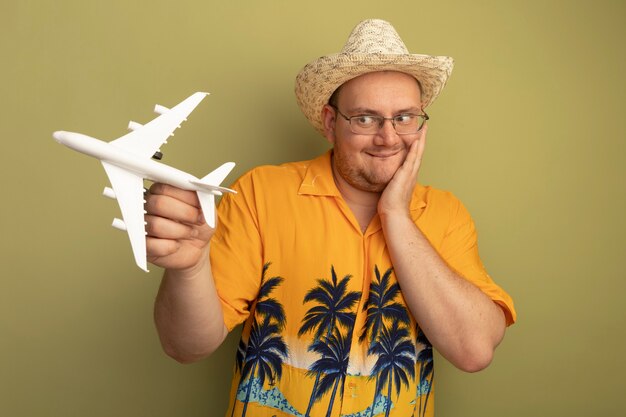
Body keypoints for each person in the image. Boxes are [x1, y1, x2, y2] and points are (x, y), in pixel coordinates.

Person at [146, 19, 516, 417]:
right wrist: (188, 269)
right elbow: (185, 347)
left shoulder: (446, 214)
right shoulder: (260, 194)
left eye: (405, 117)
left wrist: (395, 214)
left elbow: (474, 351)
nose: (388, 137)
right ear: (329, 123)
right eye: (365, 118)